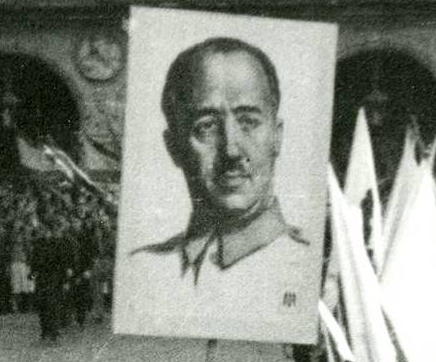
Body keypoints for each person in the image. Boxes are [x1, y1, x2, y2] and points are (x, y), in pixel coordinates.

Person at [125, 37, 307, 332]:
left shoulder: (305, 266)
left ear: (278, 136)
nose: (231, 151)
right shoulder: (139, 271)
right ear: (174, 147)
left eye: (248, 121)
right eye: (206, 127)